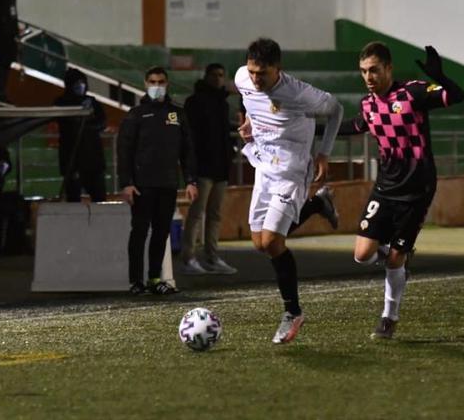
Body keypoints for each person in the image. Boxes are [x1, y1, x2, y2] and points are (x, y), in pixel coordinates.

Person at [337, 42, 464, 339]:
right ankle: (397, 254)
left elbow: (456, 96)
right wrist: (311, 128)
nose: (368, 77)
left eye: (374, 70)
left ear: (388, 68)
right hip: (385, 188)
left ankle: (388, 317)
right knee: (362, 255)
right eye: (363, 71)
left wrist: (440, 77)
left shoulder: (413, 93)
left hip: (417, 189)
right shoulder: (368, 104)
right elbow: (355, 125)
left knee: (394, 259)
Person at [235, 38, 343, 344]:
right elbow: (249, 103)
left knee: (272, 242)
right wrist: (249, 123)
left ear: (278, 70)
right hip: (263, 165)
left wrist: (324, 152)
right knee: (259, 243)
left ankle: (293, 312)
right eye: (253, 72)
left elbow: (337, 110)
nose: (256, 79)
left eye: (263, 74)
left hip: (292, 170)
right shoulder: (241, 78)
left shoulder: (298, 93)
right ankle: (317, 204)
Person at [117, 67, 198, 295]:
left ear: (167, 83)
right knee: (139, 232)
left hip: (167, 183)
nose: (157, 85)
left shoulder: (177, 114)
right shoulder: (136, 115)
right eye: (152, 81)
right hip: (142, 185)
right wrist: (127, 183)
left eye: (161, 81)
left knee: (161, 233)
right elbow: (124, 151)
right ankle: (135, 281)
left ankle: (154, 279)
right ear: (145, 83)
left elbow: (187, 150)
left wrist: (191, 181)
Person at [181, 63, 238, 275]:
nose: (217, 79)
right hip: (203, 168)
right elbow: (191, 138)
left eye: (221, 75)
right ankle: (189, 258)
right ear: (206, 76)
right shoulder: (194, 103)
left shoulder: (222, 104)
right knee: (197, 214)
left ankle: (212, 257)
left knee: (215, 215)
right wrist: (191, 170)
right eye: (214, 75)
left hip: (220, 167)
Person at [55, 67, 107, 202]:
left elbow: (102, 121)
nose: (80, 86)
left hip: (93, 158)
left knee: (99, 197)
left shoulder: (92, 101)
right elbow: (65, 123)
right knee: (73, 199)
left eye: (82, 82)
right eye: (76, 83)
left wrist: (88, 124)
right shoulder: (61, 102)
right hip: (72, 159)